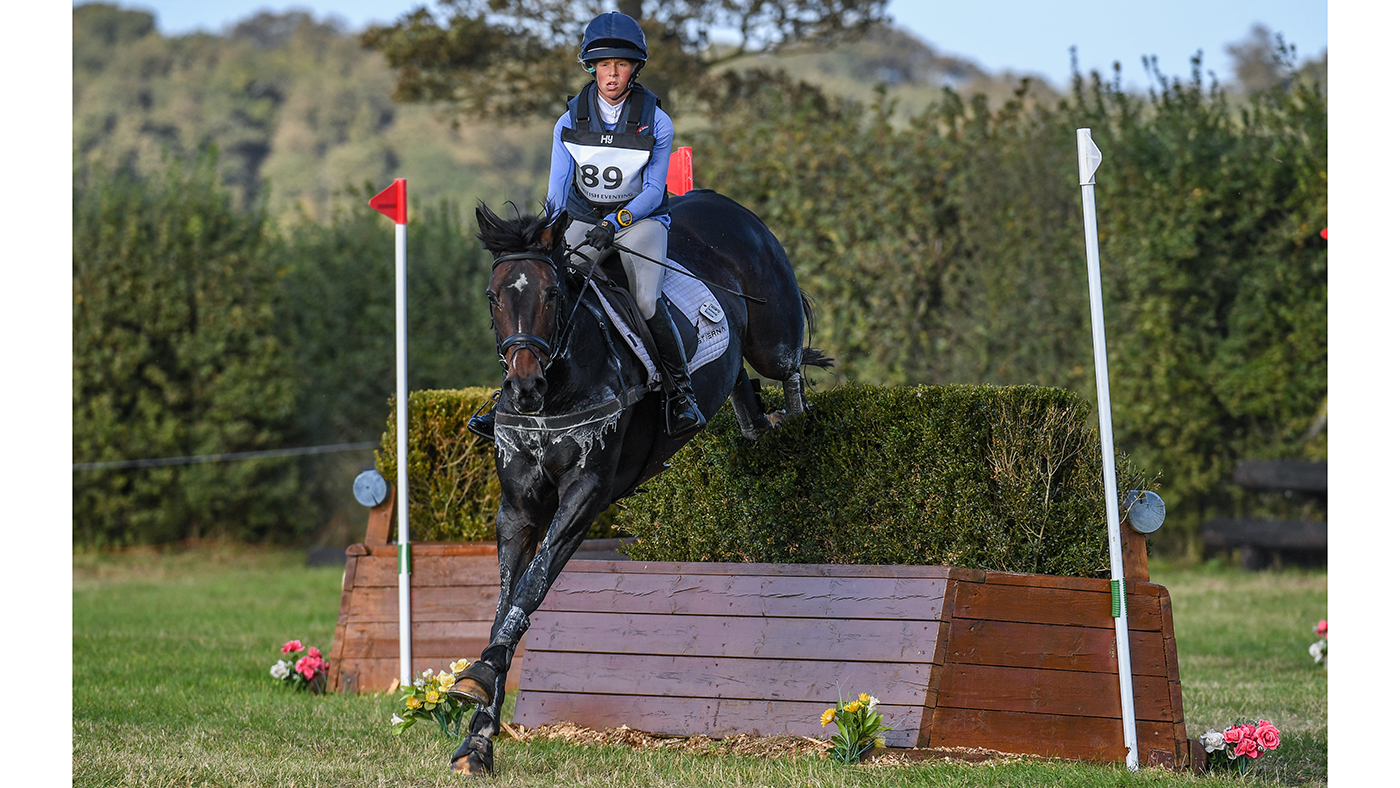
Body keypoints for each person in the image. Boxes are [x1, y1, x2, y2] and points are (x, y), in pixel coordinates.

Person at [470, 11, 705, 440]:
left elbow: (654, 188)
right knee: (544, 290)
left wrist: (617, 221)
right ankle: (511, 392)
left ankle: (680, 393)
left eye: (620, 64)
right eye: (603, 65)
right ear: (591, 68)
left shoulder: (657, 121)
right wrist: (551, 237)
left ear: (634, 69)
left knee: (647, 301)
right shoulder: (568, 122)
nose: (611, 74)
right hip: (581, 220)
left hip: (640, 221)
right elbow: (557, 190)